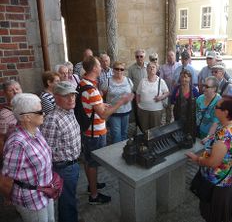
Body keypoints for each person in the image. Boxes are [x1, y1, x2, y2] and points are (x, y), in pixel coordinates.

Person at [80, 56, 133, 204]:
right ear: (95, 68)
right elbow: (103, 115)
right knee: (92, 163)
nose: (102, 67)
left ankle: (92, 186)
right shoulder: (92, 90)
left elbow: (93, 107)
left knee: (88, 160)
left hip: (88, 129)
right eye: (99, 64)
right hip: (94, 131)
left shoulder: (83, 83)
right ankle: (94, 196)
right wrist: (120, 102)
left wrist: (103, 104)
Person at [187, 95, 232, 222]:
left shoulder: (225, 134)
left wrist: (197, 159)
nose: (214, 109)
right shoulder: (230, 127)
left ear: (225, 112)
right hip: (221, 182)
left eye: (217, 107)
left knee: (213, 216)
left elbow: (213, 162)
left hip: (216, 185)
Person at [2, 93, 54, 222]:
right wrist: (9, 198)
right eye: (40, 111)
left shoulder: (36, 130)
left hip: (46, 191)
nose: (44, 114)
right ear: (27, 117)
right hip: (32, 200)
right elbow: (5, 181)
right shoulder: (17, 144)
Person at [40, 81, 81, 222]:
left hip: (73, 165)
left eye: (73, 95)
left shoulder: (69, 110)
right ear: (56, 97)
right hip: (64, 168)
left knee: (71, 199)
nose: (71, 99)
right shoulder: (53, 119)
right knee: (67, 203)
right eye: (66, 96)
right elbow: (47, 151)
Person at [101, 61, 134, 143]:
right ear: (113, 70)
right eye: (117, 69)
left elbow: (132, 93)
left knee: (124, 132)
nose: (119, 71)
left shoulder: (128, 80)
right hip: (113, 112)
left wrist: (131, 98)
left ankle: (125, 149)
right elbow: (103, 95)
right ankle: (117, 152)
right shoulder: (108, 81)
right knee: (116, 134)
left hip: (126, 111)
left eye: (121, 69)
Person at [136, 62, 169, 132]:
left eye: (153, 67)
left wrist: (161, 97)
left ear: (156, 69)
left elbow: (167, 92)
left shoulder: (160, 81)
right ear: (147, 69)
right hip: (143, 110)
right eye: (149, 67)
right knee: (144, 129)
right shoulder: (142, 81)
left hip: (156, 110)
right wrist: (138, 105)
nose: (151, 68)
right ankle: (145, 142)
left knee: (155, 130)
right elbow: (138, 94)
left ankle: (154, 142)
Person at [0, 80, 22, 157]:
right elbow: (1, 139)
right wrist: (4, 157)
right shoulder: (3, 115)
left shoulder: (26, 108)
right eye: (11, 90)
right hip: (14, 154)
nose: (15, 92)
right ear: (5, 94)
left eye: (17, 89)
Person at [195, 76, 221, 141]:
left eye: (207, 87)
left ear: (214, 89)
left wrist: (208, 137)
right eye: (204, 85)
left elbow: (216, 123)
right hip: (197, 132)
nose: (203, 88)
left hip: (210, 137)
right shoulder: (200, 99)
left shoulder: (219, 102)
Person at [128, 49, 148, 129]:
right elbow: (130, 82)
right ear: (135, 57)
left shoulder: (149, 66)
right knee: (137, 112)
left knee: (146, 110)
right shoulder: (131, 68)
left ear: (144, 57)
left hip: (147, 94)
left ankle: (146, 127)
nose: (139, 58)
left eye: (141, 56)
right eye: (137, 56)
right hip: (136, 94)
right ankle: (138, 128)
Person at [160, 50, 181, 123]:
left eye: (172, 55)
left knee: (177, 108)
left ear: (175, 56)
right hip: (168, 92)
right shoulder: (163, 67)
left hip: (178, 92)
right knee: (168, 109)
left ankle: (177, 123)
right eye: (168, 56)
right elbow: (161, 80)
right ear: (167, 58)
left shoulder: (179, 66)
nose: (170, 57)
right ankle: (167, 123)